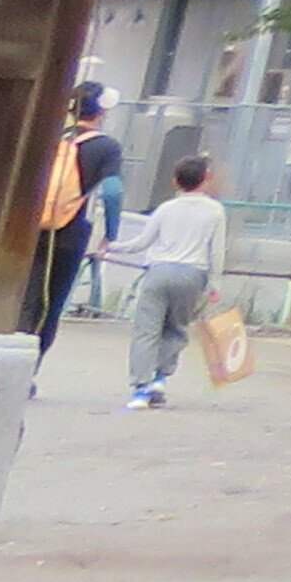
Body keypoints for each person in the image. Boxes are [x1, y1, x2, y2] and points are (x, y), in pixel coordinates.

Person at [116, 155, 226, 412]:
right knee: (176, 328)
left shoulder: (165, 209)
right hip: (192, 275)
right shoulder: (215, 211)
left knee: (146, 331)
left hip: (159, 271)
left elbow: (141, 242)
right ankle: (160, 379)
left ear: (175, 181)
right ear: (206, 178)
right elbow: (217, 251)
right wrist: (215, 283)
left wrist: (112, 248)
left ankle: (140, 389)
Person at [21, 87, 117, 367]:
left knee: (27, 298)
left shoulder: (52, 139)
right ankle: (30, 369)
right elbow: (113, 191)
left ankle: (12, 362)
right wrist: (110, 234)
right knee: (51, 304)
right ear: (101, 112)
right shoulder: (106, 147)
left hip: (32, 228)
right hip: (69, 233)